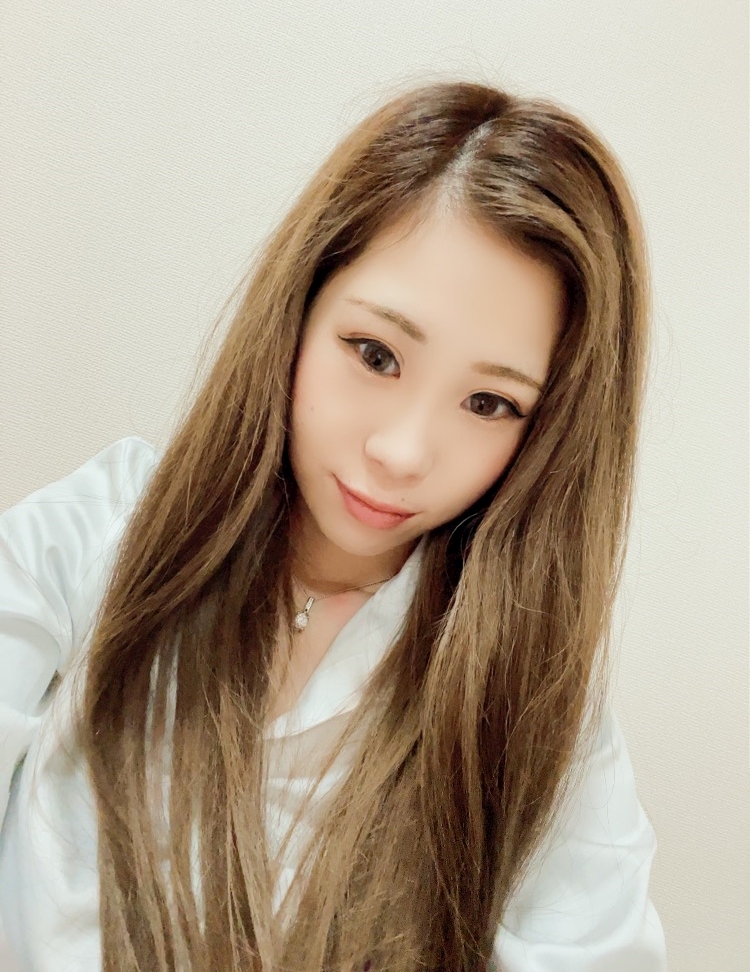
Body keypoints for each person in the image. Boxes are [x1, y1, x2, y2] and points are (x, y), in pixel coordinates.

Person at [0, 80, 668, 971]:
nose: (402, 451)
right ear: (301, 308)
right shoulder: (91, 544)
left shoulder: (534, 701)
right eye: (376, 354)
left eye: (489, 403)